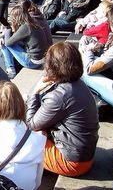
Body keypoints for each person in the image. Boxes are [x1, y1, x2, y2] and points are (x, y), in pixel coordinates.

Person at [26, 42, 99, 176]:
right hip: (83, 154)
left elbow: (30, 123)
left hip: (73, 163)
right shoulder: (78, 84)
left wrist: (35, 92)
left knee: (21, 138)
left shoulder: (60, 96)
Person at [0, 0, 52, 78]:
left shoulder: (26, 26)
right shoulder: (34, 20)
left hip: (33, 63)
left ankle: (10, 69)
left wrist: (7, 29)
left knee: (4, 45)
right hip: (44, 58)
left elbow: (8, 43)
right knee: (8, 42)